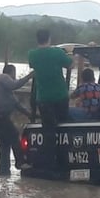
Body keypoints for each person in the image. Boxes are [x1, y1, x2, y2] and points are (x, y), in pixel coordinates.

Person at [28, 28, 73, 170]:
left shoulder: (32, 55)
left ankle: (49, 164)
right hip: (60, 96)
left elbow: (35, 65)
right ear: (49, 38)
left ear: (37, 39)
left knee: (48, 132)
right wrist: (69, 52)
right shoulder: (57, 53)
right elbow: (69, 63)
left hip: (43, 98)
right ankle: (64, 161)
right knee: (63, 128)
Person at [0, 64, 33, 176]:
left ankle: (4, 174)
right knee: (14, 136)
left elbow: (17, 105)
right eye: (14, 73)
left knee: (5, 144)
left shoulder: (6, 92)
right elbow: (15, 85)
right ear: (11, 72)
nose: (15, 76)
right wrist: (29, 76)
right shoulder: (3, 77)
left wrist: (31, 115)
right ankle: (20, 162)